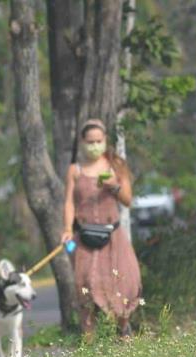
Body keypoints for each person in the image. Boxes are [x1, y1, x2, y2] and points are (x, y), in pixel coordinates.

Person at [60, 118, 142, 339]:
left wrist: (113, 186)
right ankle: (89, 337)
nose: (95, 145)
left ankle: (123, 328)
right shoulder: (75, 170)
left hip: (112, 235)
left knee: (125, 280)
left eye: (99, 141)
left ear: (105, 140)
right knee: (86, 283)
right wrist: (67, 227)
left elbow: (127, 200)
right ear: (83, 142)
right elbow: (69, 201)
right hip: (85, 236)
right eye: (90, 141)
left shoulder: (116, 165)